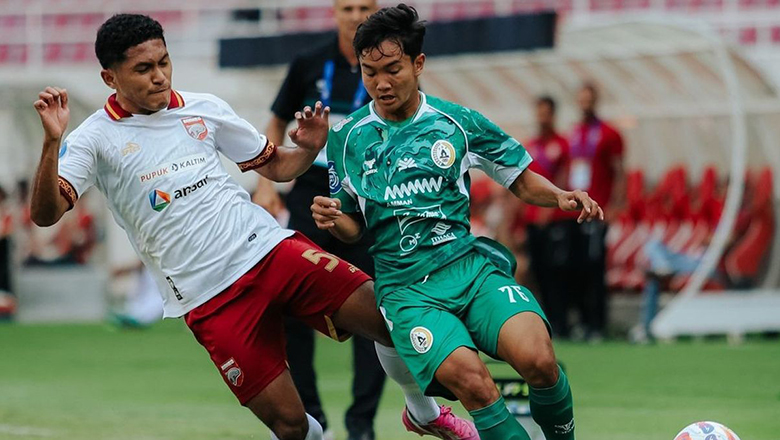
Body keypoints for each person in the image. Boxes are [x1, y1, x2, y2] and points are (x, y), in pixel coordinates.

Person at [30, 14, 475, 440]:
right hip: (208, 297)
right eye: (143, 69)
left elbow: (278, 167)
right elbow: (46, 214)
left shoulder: (204, 109)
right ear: (110, 78)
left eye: (163, 62)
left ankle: (424, 413)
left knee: (390, 316)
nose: (160, 76)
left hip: (268, 250)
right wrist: (52, 142)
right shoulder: (93, 137)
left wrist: (308, 149)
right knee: (291, 428)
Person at [312, 5, 603, 439]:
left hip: (469, 270)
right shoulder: (347, 137)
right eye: (371, 73)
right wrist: (336, 221)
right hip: (408, 291)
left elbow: (519, 178)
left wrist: (560, 196)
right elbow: (354, 225)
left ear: (418, 63)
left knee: (540, 360)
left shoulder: (456, 123)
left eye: (393, 69)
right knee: (475, 384)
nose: (382, 83)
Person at [255, 2, 389, 438]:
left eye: (365, 7)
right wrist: (267, 183)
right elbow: (275, 121)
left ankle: (362, 424)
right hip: (310, 193)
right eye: (347, 7)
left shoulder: (388, 66)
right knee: (291, 305)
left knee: (378, 310)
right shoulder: (308, 63)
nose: (356, 15)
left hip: (368, 196)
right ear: (335, 12)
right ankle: (314, 419)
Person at [566, 83, 625, 342]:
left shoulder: (609, 133)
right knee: (575, 268)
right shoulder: (574, 133)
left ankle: (598, 325)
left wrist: (615, 206)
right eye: (581, 99)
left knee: (595, 267)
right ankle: (581, 321)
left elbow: (620, 172)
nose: (585, 104)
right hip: (574, 213)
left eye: (589, 99)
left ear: (595, 101)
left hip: (598, 209)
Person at [523, 96, 572, 338]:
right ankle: (545, 325)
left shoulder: (562, 144)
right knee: (538, 273)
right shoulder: (530, 146)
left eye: (546, 113)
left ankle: (562, 324)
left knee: (557, 274)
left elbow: (563, 180)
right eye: (539, 112)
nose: (542, 117)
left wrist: (549, 210)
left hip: (555, 221)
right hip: (532, 221)